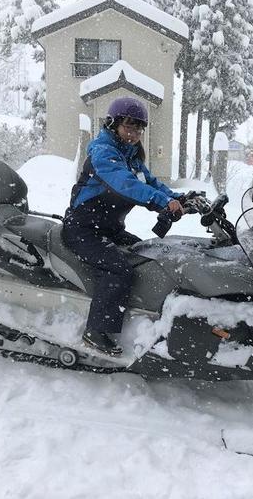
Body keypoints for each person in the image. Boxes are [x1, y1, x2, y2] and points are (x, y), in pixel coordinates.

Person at [62, 97, 184, 356]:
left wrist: (178, 198)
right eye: (128, 128)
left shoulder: (131, 156)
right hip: (83, 230)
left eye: (138, 129)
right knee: (119, 270)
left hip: (109, 229)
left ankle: (144, 316)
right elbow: (126, 184)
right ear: (113, 125)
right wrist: (162, 202)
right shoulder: (103, 153)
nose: (134, 134)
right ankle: (95, 331)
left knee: (147, 254)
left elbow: (149, 182)